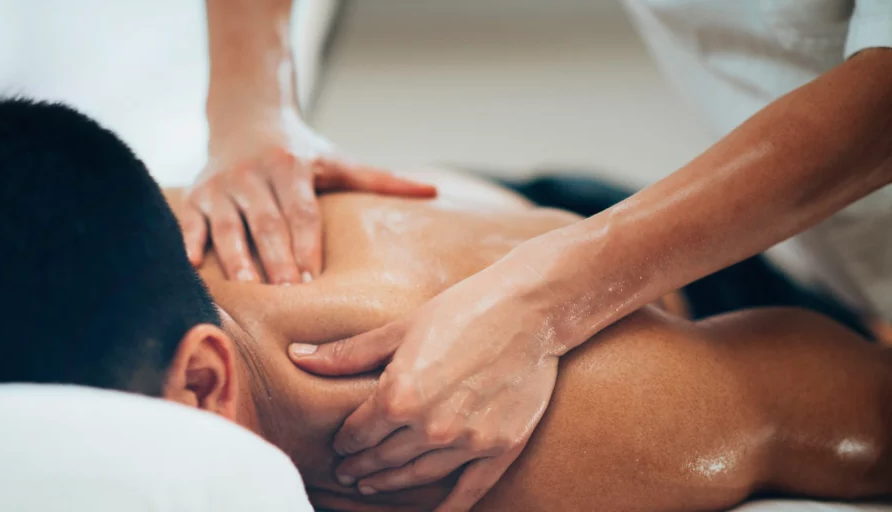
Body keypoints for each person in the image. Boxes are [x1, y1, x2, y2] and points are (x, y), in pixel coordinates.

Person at [0, 99, 890, 511]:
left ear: (204, 383)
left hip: (663, 277)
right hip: (432, 200)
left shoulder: (569, 438)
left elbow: (848, 408)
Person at [187, 2, 892, 508]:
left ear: (201, 382)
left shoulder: (592, 425)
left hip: (646, 314)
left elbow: (865, 412)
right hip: (521, 212)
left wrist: (548, 300)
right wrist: (253, 104)